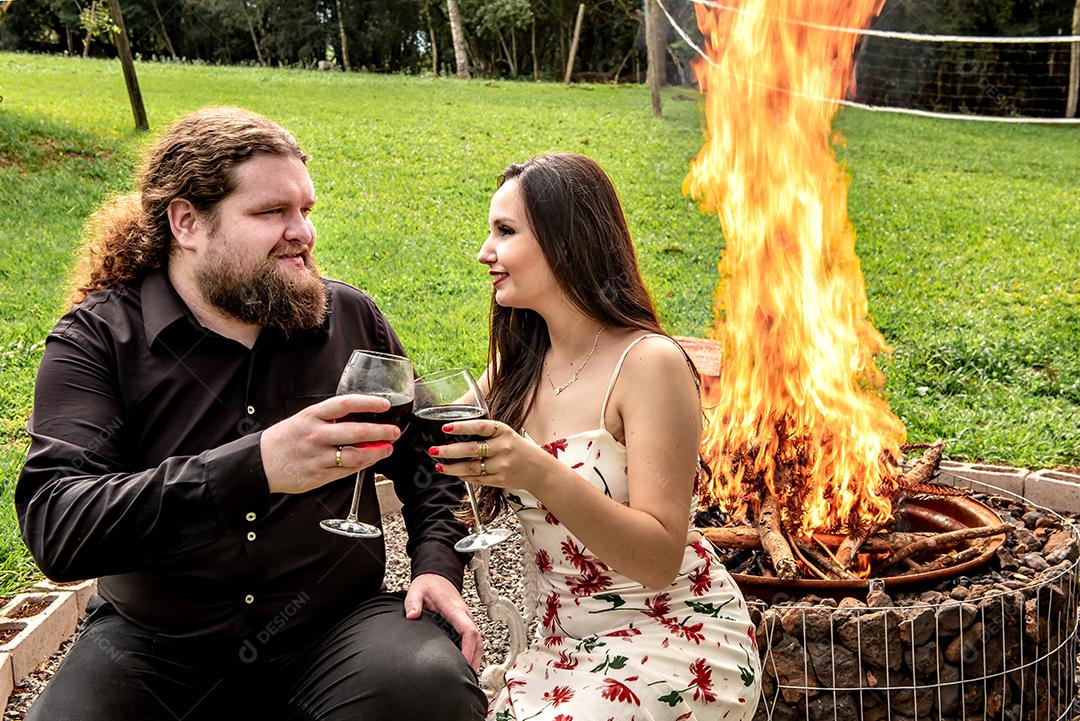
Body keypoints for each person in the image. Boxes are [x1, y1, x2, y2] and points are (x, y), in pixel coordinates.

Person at [16, 107, 487, 721]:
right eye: (272, 212)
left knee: (428, 686)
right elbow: (59, 524)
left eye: (305, 210)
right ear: (187, 222)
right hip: (157, 643)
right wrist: (256, 465)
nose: (302, 232)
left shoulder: (348, 319)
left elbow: (431, 460)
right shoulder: (98, 339)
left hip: (337, 631)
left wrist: (437, 565)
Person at [431, 154, 762, 720]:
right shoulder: (520, 365)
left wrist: (537, 471)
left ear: (565, 242)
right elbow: (432, 442)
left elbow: (659, 559)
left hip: (673, 639)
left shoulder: (648, 363)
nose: (485, 252)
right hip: (560, 647)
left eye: (505, 231)